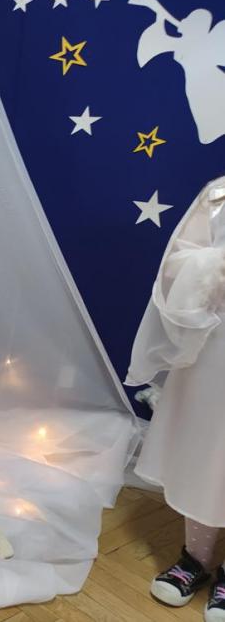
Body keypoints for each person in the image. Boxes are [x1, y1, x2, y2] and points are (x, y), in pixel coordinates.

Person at [126, 175, 225, 622]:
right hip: (216, 349)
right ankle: (196, 557)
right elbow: (178, 261)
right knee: (206, 450)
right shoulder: (218, 196)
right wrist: (215, 265)